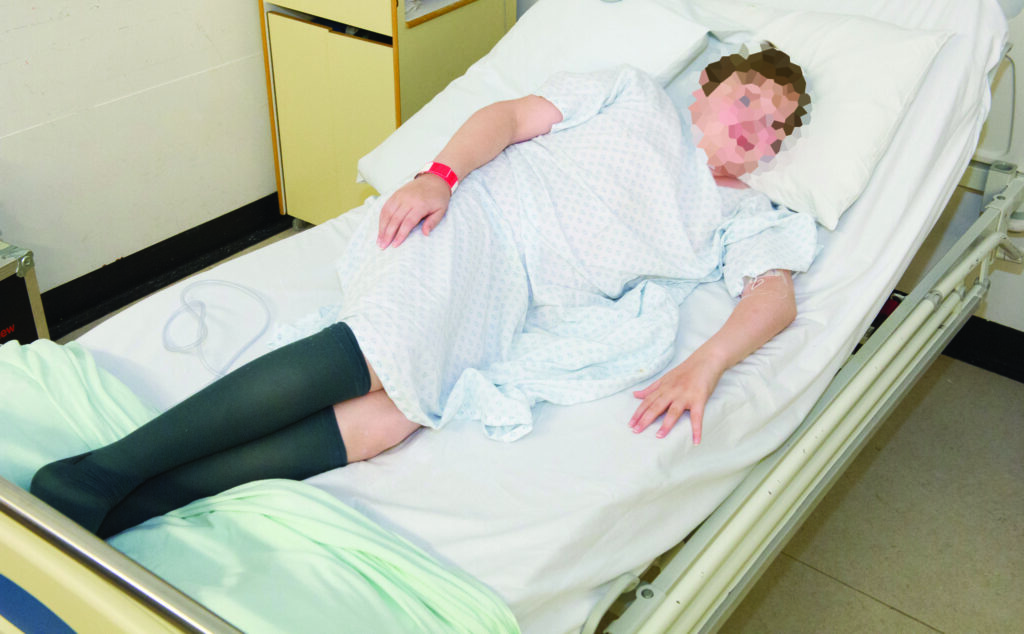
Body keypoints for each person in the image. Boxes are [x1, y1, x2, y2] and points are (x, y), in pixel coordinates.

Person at [32, 46, 816, 538]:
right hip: (480, 219)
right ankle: (102, 472)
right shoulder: (634, 95)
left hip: (525, 302)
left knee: (384, 425)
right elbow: (508, 116)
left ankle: (131, 506)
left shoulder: (739, 214)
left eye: (776, 127)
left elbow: (772, 297)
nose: (758, 125)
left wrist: (704, 364)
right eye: (749, 97)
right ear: (706, 86)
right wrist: (440, 177)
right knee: (390, 348)